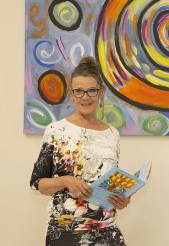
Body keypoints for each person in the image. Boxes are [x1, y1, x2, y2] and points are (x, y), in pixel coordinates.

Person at [30, 56, 130, 245]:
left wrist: (121, 199)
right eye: (79, 91)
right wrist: (66, 180)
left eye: (92, 90)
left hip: (107, 232)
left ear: (101, 92)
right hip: (65, 231)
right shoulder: (56, 131)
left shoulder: (112, 134)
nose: (86, 97)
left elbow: (109, 183)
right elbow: (37, 184)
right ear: (71, 94)